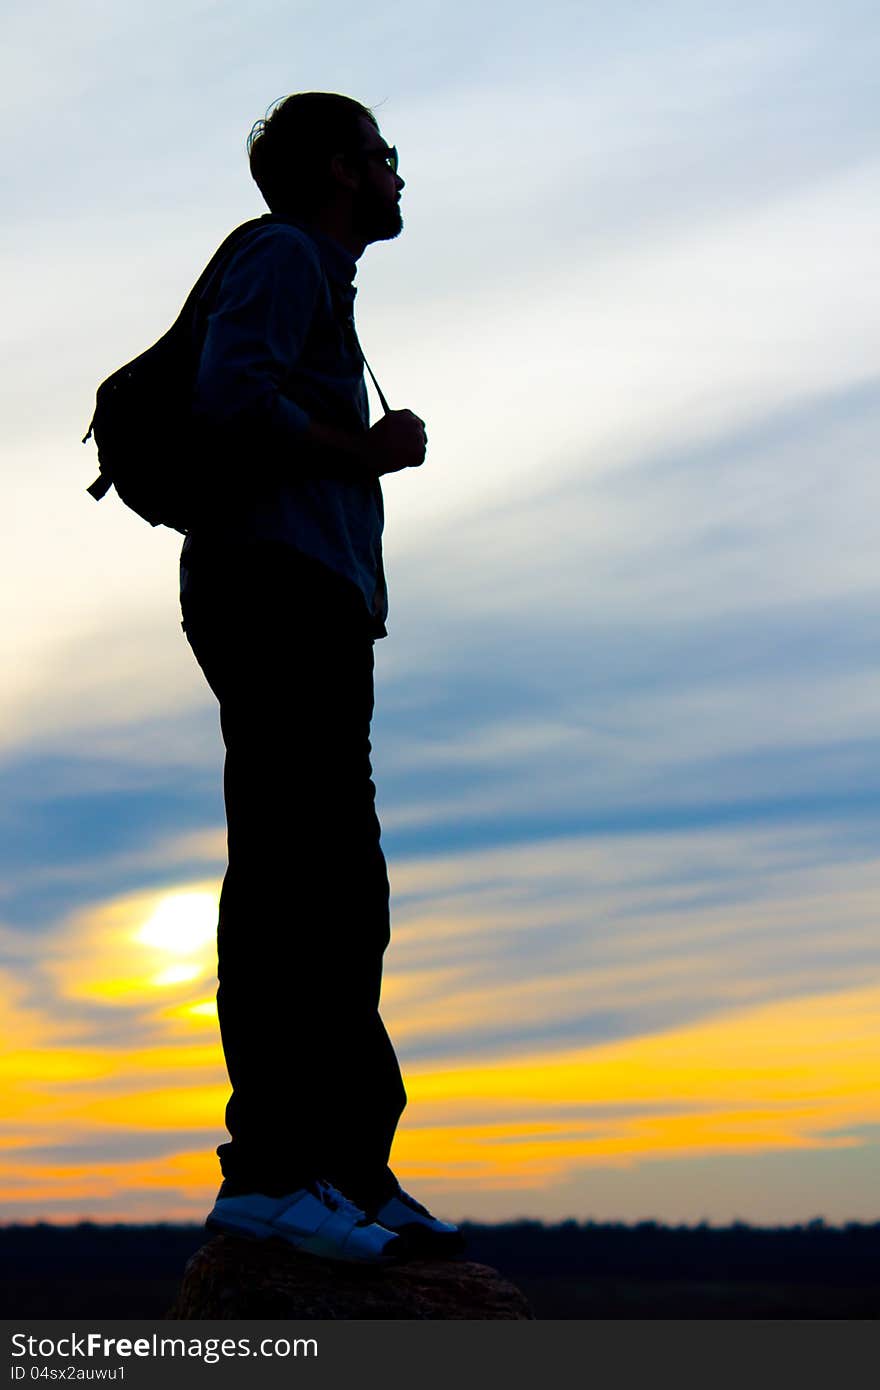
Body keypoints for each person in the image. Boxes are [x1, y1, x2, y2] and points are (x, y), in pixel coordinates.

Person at [179, 92, 462, 1264]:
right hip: (275, 588)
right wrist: (367, 450)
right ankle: (273, 1174)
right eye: (384, 157)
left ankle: (345, 1166)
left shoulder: (317, 276)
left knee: (339, 886)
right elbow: (231, 399)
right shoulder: (286, 254)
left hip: (312, 599)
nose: (397, 175)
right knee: (300, 877)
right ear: (342, 169)